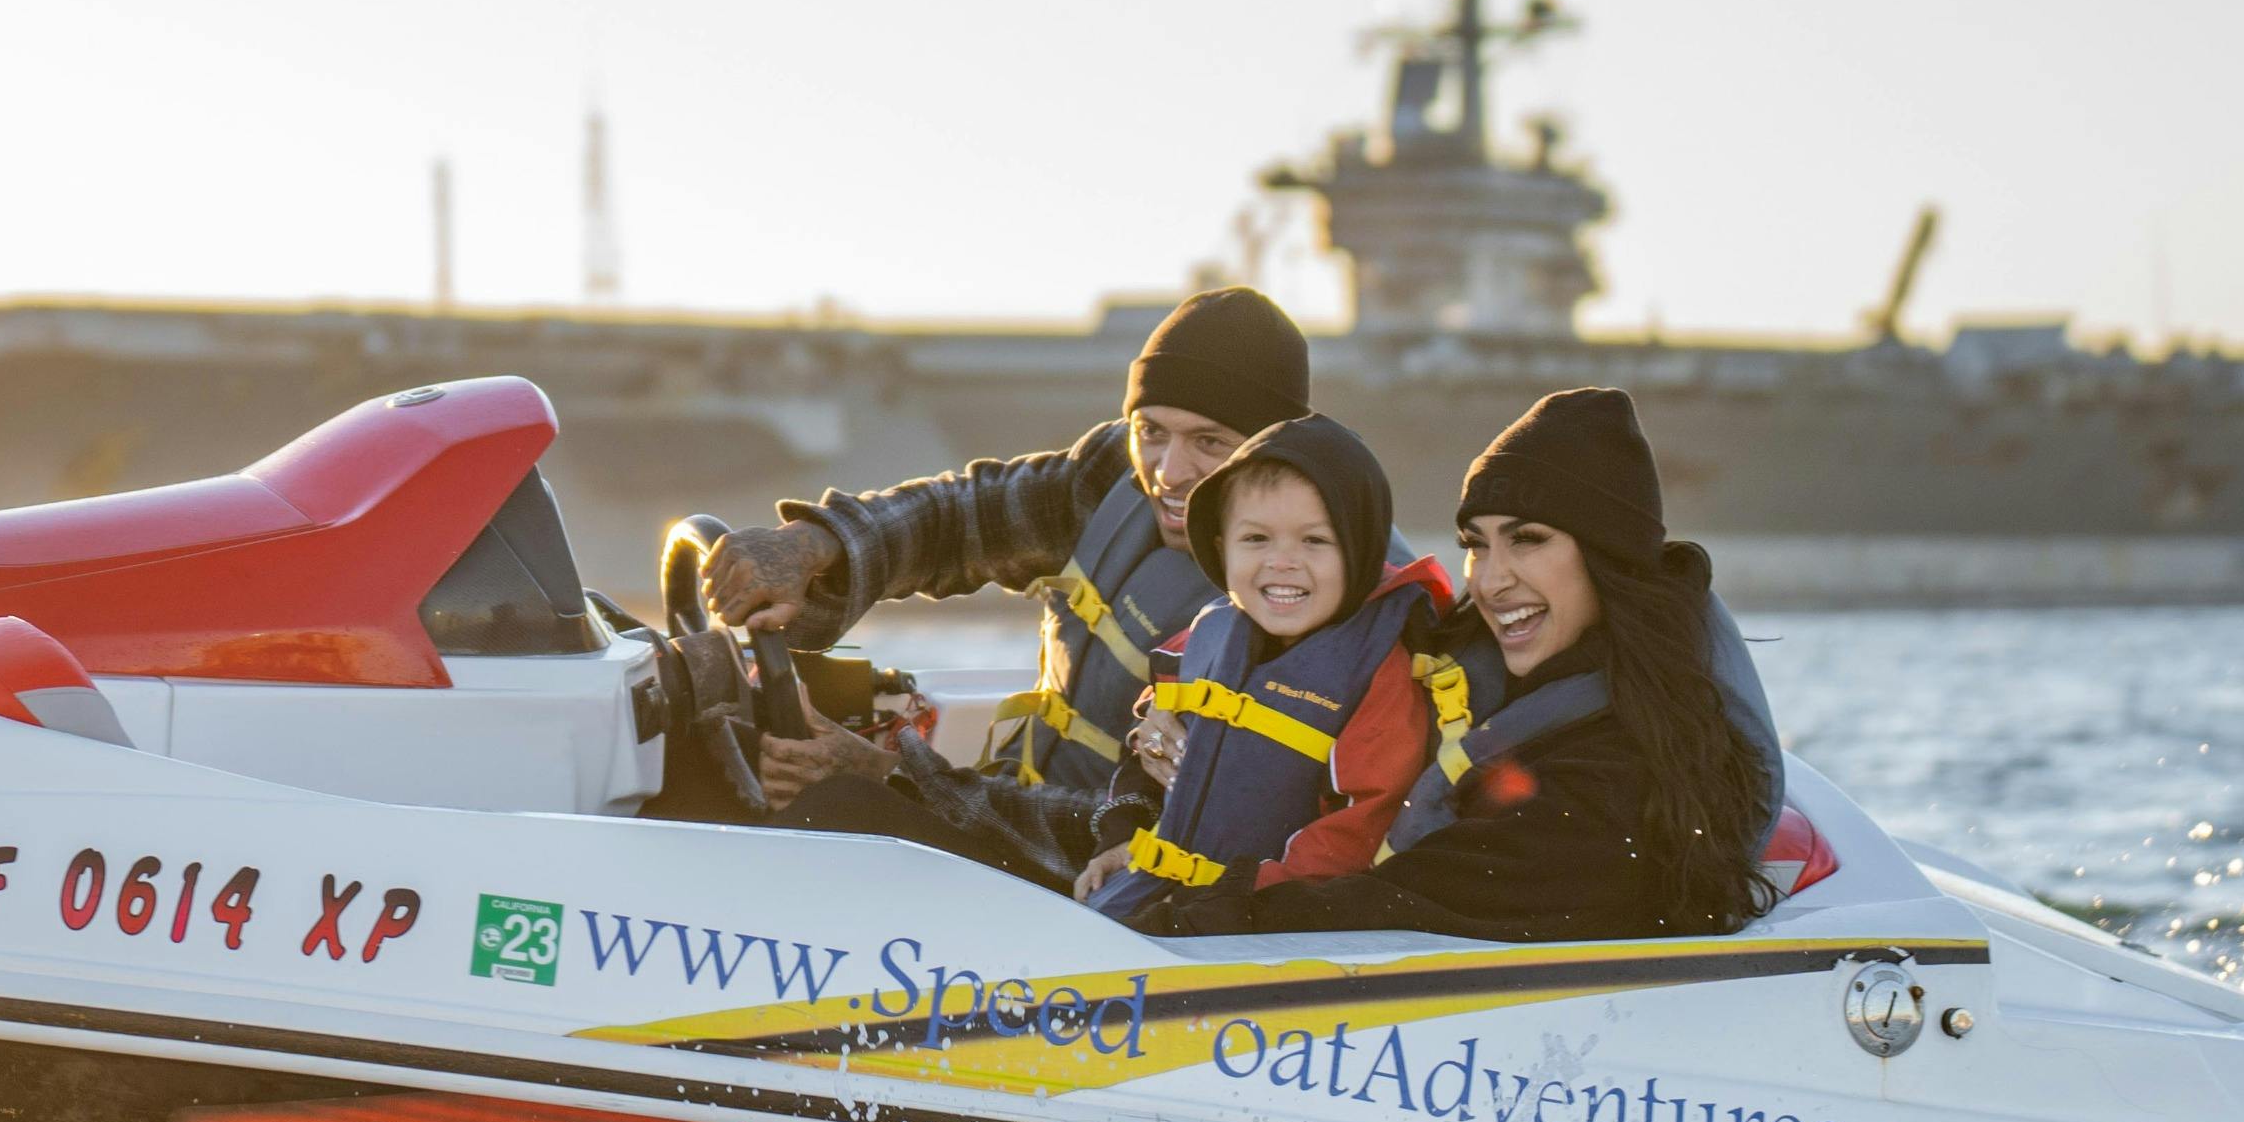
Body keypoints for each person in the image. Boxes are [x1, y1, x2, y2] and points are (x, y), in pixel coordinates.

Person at [697, 287, 1313, 886]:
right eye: (1151, 430)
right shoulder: (1113, 478)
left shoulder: (1302, 601)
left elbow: (1147, 837)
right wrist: (812, 545)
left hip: (1094, 890)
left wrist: (886, 776)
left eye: (1209, 443)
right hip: (1000, 815)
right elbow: (965, 517)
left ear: (1272, 452)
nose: (1168, 472)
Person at [1243, 388, 1782, 942]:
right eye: (1475, 545)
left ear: (1607, 554)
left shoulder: (1621, 777)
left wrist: (1191, 920)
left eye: (1527, 539)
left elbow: (1406, 900)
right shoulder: (1461, 677)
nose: (1490, 580)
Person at [1073, 415, 1452, 932]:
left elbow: (1361, 827)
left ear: (1361, 551)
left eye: (1315, 542)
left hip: (1256, 926)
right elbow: (1148, 749)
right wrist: (1123, 836)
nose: (1282, 563)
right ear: (1220, 547)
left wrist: (1236, 906)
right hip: (1155, 894)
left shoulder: (1384, 670)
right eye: (1255, 539)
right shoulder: (1212, 633)